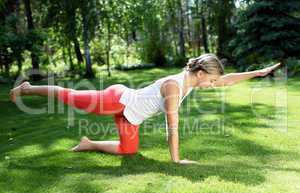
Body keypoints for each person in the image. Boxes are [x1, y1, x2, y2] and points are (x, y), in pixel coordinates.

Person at [9, 54, 281, 165]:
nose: (212, 85)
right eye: (210, 80)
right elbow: (172, 130)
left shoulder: (192, 82)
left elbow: (227, 79)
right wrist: (176, 161)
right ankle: (28, 88)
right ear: (199, 73)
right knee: (71, 97)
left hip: (129, 116)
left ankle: (87, 143)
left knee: (128, 150)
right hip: (118, 100)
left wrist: (258, 73)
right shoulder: (175, 87)